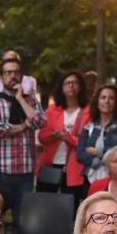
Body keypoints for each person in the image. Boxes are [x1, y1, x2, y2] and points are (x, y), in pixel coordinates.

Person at [0, 57, 46, 229]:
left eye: (16, 72)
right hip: (0, 171)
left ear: (21, 76)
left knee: (24, 219)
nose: (12, 76)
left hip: (25, 170)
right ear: (1, 77)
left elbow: (40, 122)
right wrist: (25, 125)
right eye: (8, 73)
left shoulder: (30, 100)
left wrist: (20, 99)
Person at [37, 71, 90, 203]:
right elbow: (42, 137)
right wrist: (53, 136)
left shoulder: (88, 111)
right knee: (44, 204)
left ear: (81, 87)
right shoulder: (52, 110)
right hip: (51, 164)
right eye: (67, 83)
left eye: (75, 83)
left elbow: (88, 141)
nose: (71, 86)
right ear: (62, 88)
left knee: (70, 207)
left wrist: (67, 138)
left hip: (75, 168)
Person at [77, 84, 117, 183]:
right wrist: (96, 161)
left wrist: (97, 152)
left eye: (111, 98)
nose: (107, 101)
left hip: (115, 178)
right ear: (97, 101)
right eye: (103, 97)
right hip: (91, 178)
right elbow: (80, 153)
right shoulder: (89, 127)